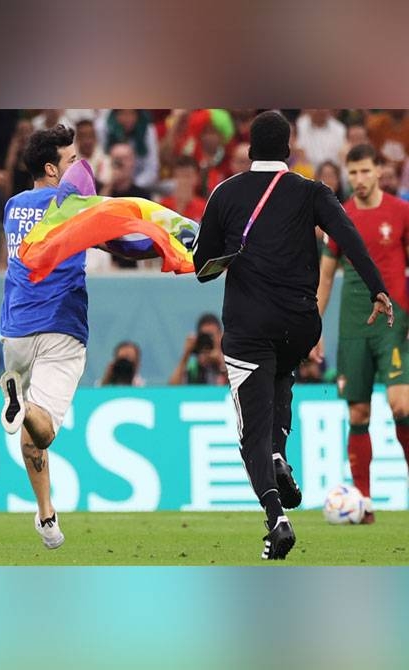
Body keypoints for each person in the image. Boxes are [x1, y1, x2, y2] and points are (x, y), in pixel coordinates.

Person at [193, 111, 391, 560]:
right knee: (282, 373)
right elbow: (348, 236)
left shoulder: (225, 193)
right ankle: (280, 454)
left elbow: (203, 269)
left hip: (248, 325)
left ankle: (275, 517)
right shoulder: (312, 191)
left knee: (252, 433)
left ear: (249, 149)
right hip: (300, 323)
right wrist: (378, 288)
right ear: (288, 150)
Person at [312, 143, 409, 524]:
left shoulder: (400, 212)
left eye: (366, 171)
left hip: (394, 322)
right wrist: (314, 327)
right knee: (358, 411)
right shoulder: (340, 217)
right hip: (352, 325)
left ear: (379, 171)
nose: (359, 180)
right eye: (353, 173)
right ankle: (364, 502)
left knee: (401, 404)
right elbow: (324, 277)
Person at [0, 124, 80, 550]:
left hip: (14, 330)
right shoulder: (74, 205)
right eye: (71, 161)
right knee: (43, 431)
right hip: (61, 326)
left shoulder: (12, 206)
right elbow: (124, 241)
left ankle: (46, 512)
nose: (78, 167)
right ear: (51, 169)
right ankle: (22, 403)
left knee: (28, 427)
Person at [168, 313, 228, 385]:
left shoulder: (230, 363)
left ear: (220, 337)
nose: (207, 341)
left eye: (211, 336)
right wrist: (186, 355)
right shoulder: (193, 368)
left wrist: (220, 362)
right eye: (204, 336)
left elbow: (236, 387)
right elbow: (172, 388)